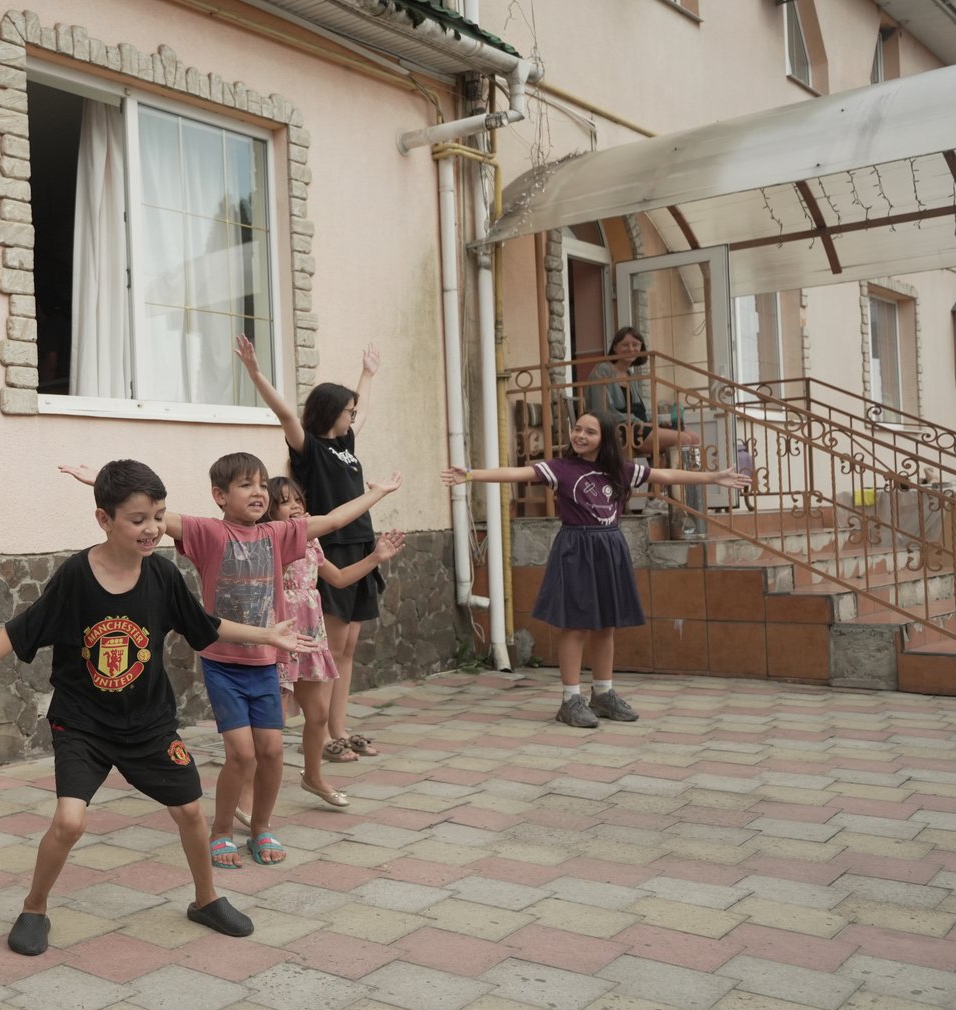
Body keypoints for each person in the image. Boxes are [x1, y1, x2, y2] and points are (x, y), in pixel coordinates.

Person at [0, 460, 308, 955]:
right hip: (83, 722)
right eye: (138, 519)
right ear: (104, 520)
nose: (152, 529)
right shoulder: (76, 577)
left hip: (148, 723)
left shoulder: (164, 577)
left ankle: (206, 899)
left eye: (159, 516)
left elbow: (204, 624)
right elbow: (24, 627)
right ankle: (34, 907)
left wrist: (265, 634)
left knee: (191, 813)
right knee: (69, 821)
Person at [61, 453, 401, 870]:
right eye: (245, 485)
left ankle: (261, 826)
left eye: (262, 484)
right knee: (241, 753)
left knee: (273, 751)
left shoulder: (279, 534)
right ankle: (220, 830)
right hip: (223, 662)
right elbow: (145, 512)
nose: (258, 492)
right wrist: (96, 478)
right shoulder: (207, 533)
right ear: (220, 495)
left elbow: (331, 521)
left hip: (265, 663)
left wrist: (377, 494)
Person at [442, 413, 748, 728]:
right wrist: (471, 474)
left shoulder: (620, 471)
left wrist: (713, 478)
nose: (581, 435)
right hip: (576, 549)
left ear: (604, 439)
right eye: (577, 429)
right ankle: (570, 699)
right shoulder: (561, 468)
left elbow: (666, 476)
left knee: (606, 625)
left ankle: (603, 694)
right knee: (575, 625)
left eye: (590, 431)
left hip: (610, 548)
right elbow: (517, 473)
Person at [239, 338, 386, 763]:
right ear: (329, 413)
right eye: (347, 411)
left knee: (349, 647)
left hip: (360, 542)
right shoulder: (309, 449)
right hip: (332, 547)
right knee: (329, 650)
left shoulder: (346, 446)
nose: (354, 417)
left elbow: (365, 411)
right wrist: (254, 373)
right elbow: (285, 412)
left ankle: (339, 728)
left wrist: (368, 374)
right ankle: (320, 737)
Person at [237, 476, 406, 821]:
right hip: (280, 638)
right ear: (270, 510)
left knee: (318, 715)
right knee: (270, 724)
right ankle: (246, 794)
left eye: (298, 499)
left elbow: (340, 578)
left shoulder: (311, 543)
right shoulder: (270, 541)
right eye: (285, 501)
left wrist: (376, 557)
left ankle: (313, 777)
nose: (295, 505)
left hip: (310, 637)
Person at [585, 327, 700, 456]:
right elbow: (602, 411)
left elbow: (639, 411)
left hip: (636, 427)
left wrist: (660, 422)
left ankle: (681, 474)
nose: (631, 349)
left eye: (635, 345)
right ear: (615, 348)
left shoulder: (630, 375)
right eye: (625, 345)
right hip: (618, 429)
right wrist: (639, 422)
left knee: (694, 438)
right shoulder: (602, 371)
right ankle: (677, 475)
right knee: (684, 439)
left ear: (641, 349)